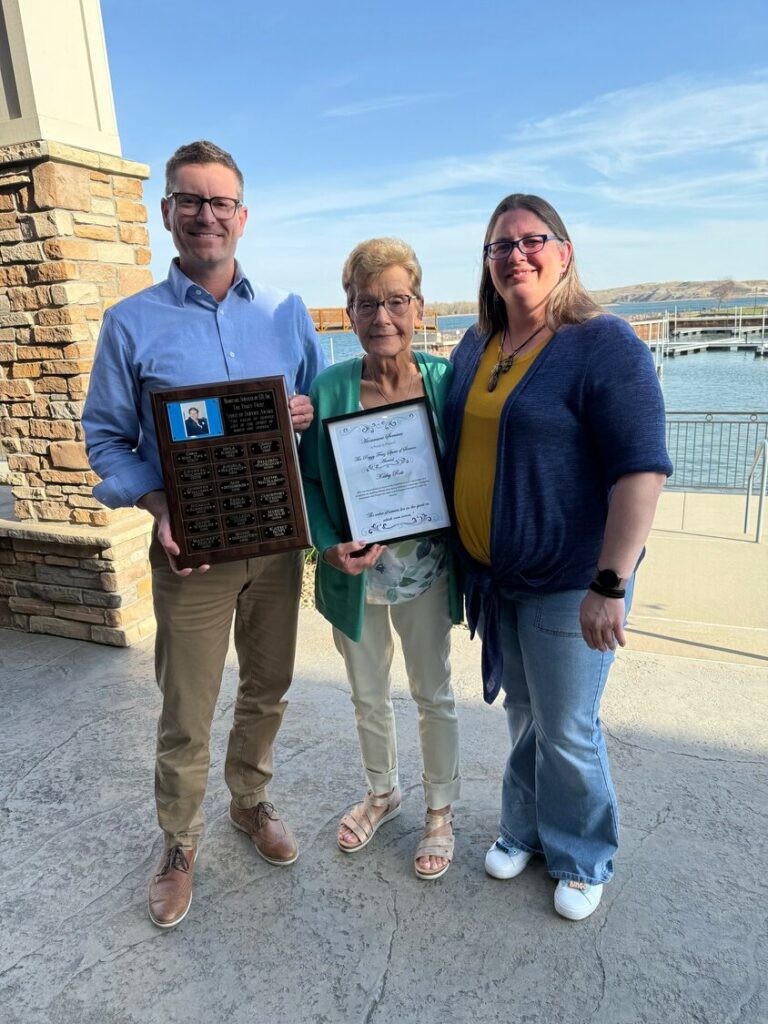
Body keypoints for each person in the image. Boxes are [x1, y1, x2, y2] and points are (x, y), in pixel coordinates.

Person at [83, 140, 325, 928]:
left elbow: (320, 412)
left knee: (268, 687)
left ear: (242, 216)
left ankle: (249, 801)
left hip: (277, 547)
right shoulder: (130, 323)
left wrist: (305, 414)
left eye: (220, 202)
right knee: (187, 706)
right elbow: (104, 438)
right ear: (167, 212)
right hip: (191, 553)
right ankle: (180, 842)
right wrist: (158, 505)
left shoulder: (287, 312)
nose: (206, 215)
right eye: (190, 200)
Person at [443, 195, 672, 920]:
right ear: (487, 262)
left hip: (570, 582)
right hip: (498, 579)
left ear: (564, 253)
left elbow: (641, 469)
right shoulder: (476, 345)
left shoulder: (603, 344)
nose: (516, 255)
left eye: (531, 240)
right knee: (524, 715)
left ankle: (582, 856)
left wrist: (611, 582)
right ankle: (526, 829)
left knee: (567, 728)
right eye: (500, 246)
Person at [300, 238, 463, 879]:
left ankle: (440, 811)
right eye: (367, 304)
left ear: (419, 307)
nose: (382, 317)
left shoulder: (445, 382)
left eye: (397, 301)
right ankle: (382, 792)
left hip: (428, 571)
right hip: (357, 574)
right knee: (368, 694)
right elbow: (310, 482)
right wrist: (326, 545)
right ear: (349, 313)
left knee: (433, 693)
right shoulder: (330, 387)